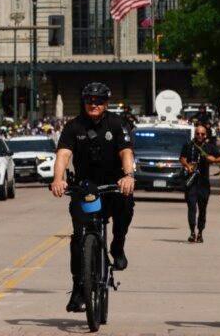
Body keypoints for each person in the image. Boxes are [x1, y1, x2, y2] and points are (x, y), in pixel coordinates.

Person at [51, 82, 135, 313]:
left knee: (126, 206)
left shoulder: (117, 124)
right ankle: (79, 289)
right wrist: (58, 179)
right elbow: (63, 155)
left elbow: (126, 152)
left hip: (113, 186)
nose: (93, 104)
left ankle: (117, 246)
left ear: (106, 103)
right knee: (79, 240)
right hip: (85, 188)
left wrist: (128, 176)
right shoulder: (73, 126)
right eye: (89, 100)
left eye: (98, 101)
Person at [180, 124, 220, 243]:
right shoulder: (188, 145)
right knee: (191, 207)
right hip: (191, 181)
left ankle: (200, 233)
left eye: (202, 134)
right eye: (198, 133)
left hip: (203, 183)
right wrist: (187, 166)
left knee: (202, 209)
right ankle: (192, 232)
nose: (200, 136)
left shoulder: (210, 147)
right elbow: (182, 158)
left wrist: (213, 160)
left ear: (206, 135)